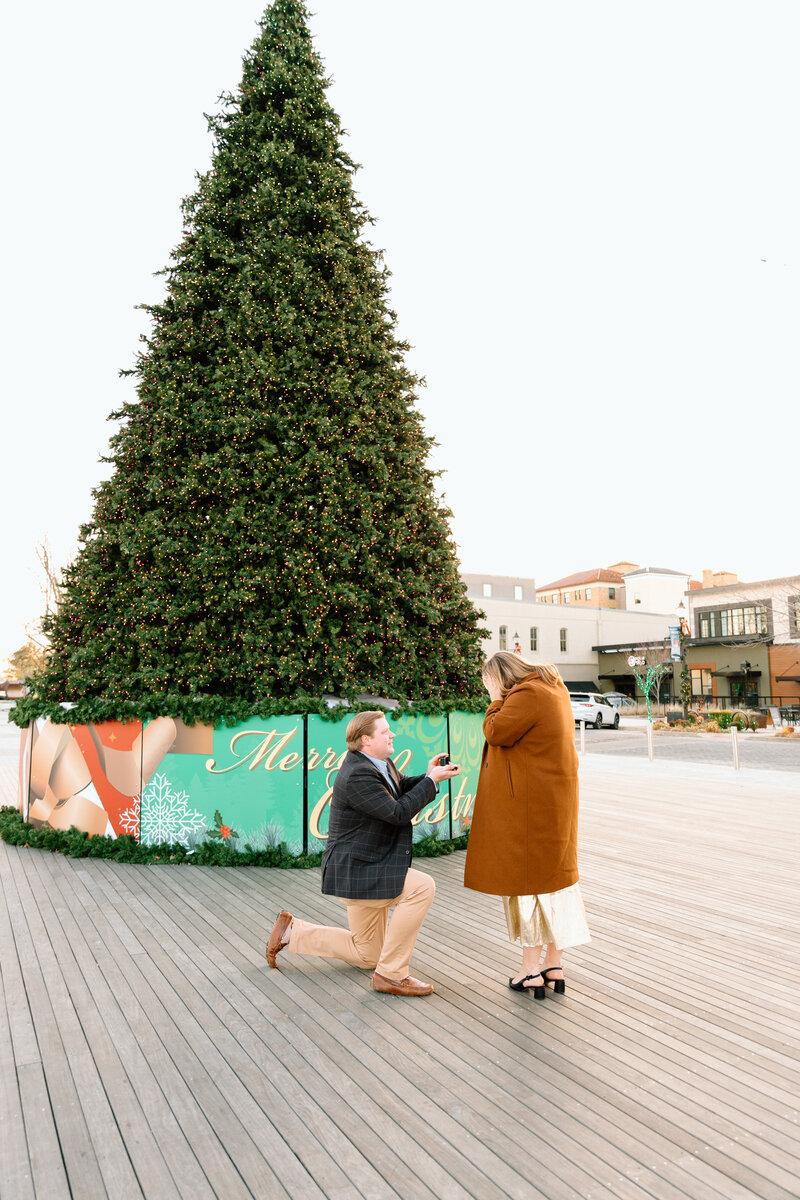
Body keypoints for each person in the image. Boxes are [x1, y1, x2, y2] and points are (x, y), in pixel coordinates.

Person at [266, 710, 460, 996]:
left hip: (366, 866)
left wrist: (430, 776)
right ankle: (392, 975)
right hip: (358, 871)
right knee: (421, 887)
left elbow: (399, 787)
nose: (391, 734)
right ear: (366, 740)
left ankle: (292, 932)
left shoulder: (378, 762)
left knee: (367, 954)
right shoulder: (358, 773)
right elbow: (397, 811)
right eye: (385, 731)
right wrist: (431, 782)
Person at [464, 652, 590, 997]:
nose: (491, 688)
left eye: (490, 681)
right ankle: (553, 964)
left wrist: (494, 700)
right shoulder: (554, 688)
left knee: (527, 882)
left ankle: (530, 971)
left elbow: (497, 731)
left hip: (529, 808)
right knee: (557, 880)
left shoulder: (527, 694)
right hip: (554, 802)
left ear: (502, 676)